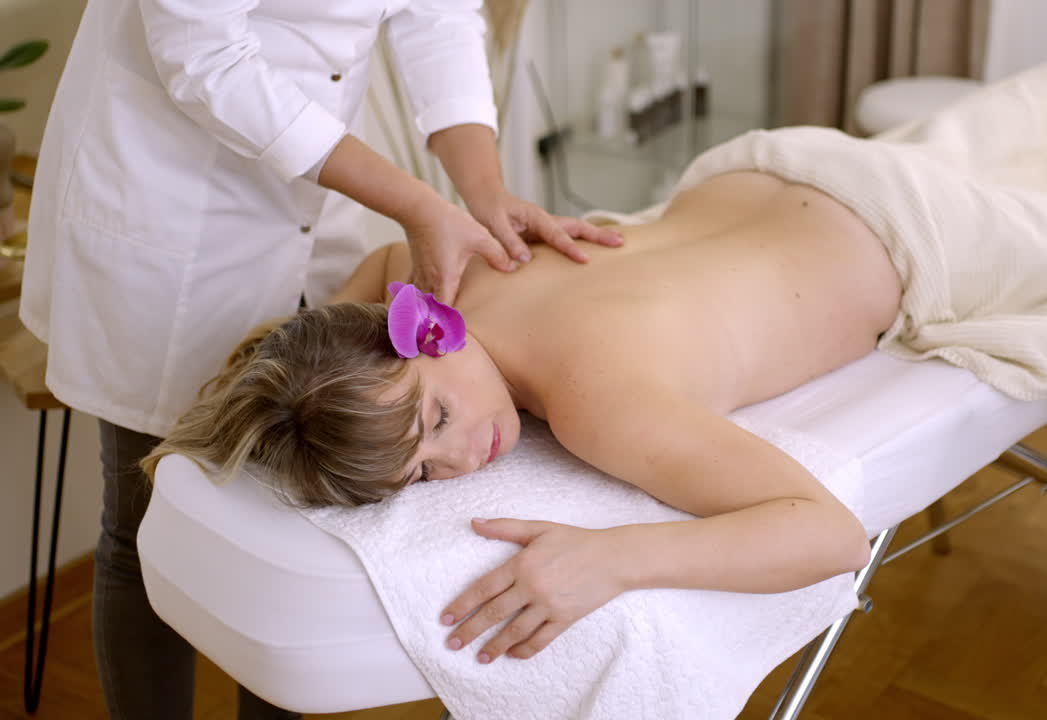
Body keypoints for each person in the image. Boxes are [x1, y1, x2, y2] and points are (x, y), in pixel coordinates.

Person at [19, 1, 617, 717]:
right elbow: (205, 55)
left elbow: (440, 14)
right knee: (143, 526)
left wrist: (482, 190)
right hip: (172, 206)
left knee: (296, 530)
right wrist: (421, 205)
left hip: (312, 204)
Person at [143, 168, 904, 667]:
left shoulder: (596, 403)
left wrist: (614, 559)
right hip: (758, 173)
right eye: (425, 473)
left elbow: (831, 536)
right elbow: (376, 275)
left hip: (904, 231)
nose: (467, 457)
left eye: (438, 419)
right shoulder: (440, 267)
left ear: (428, 328)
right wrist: (325, 386)